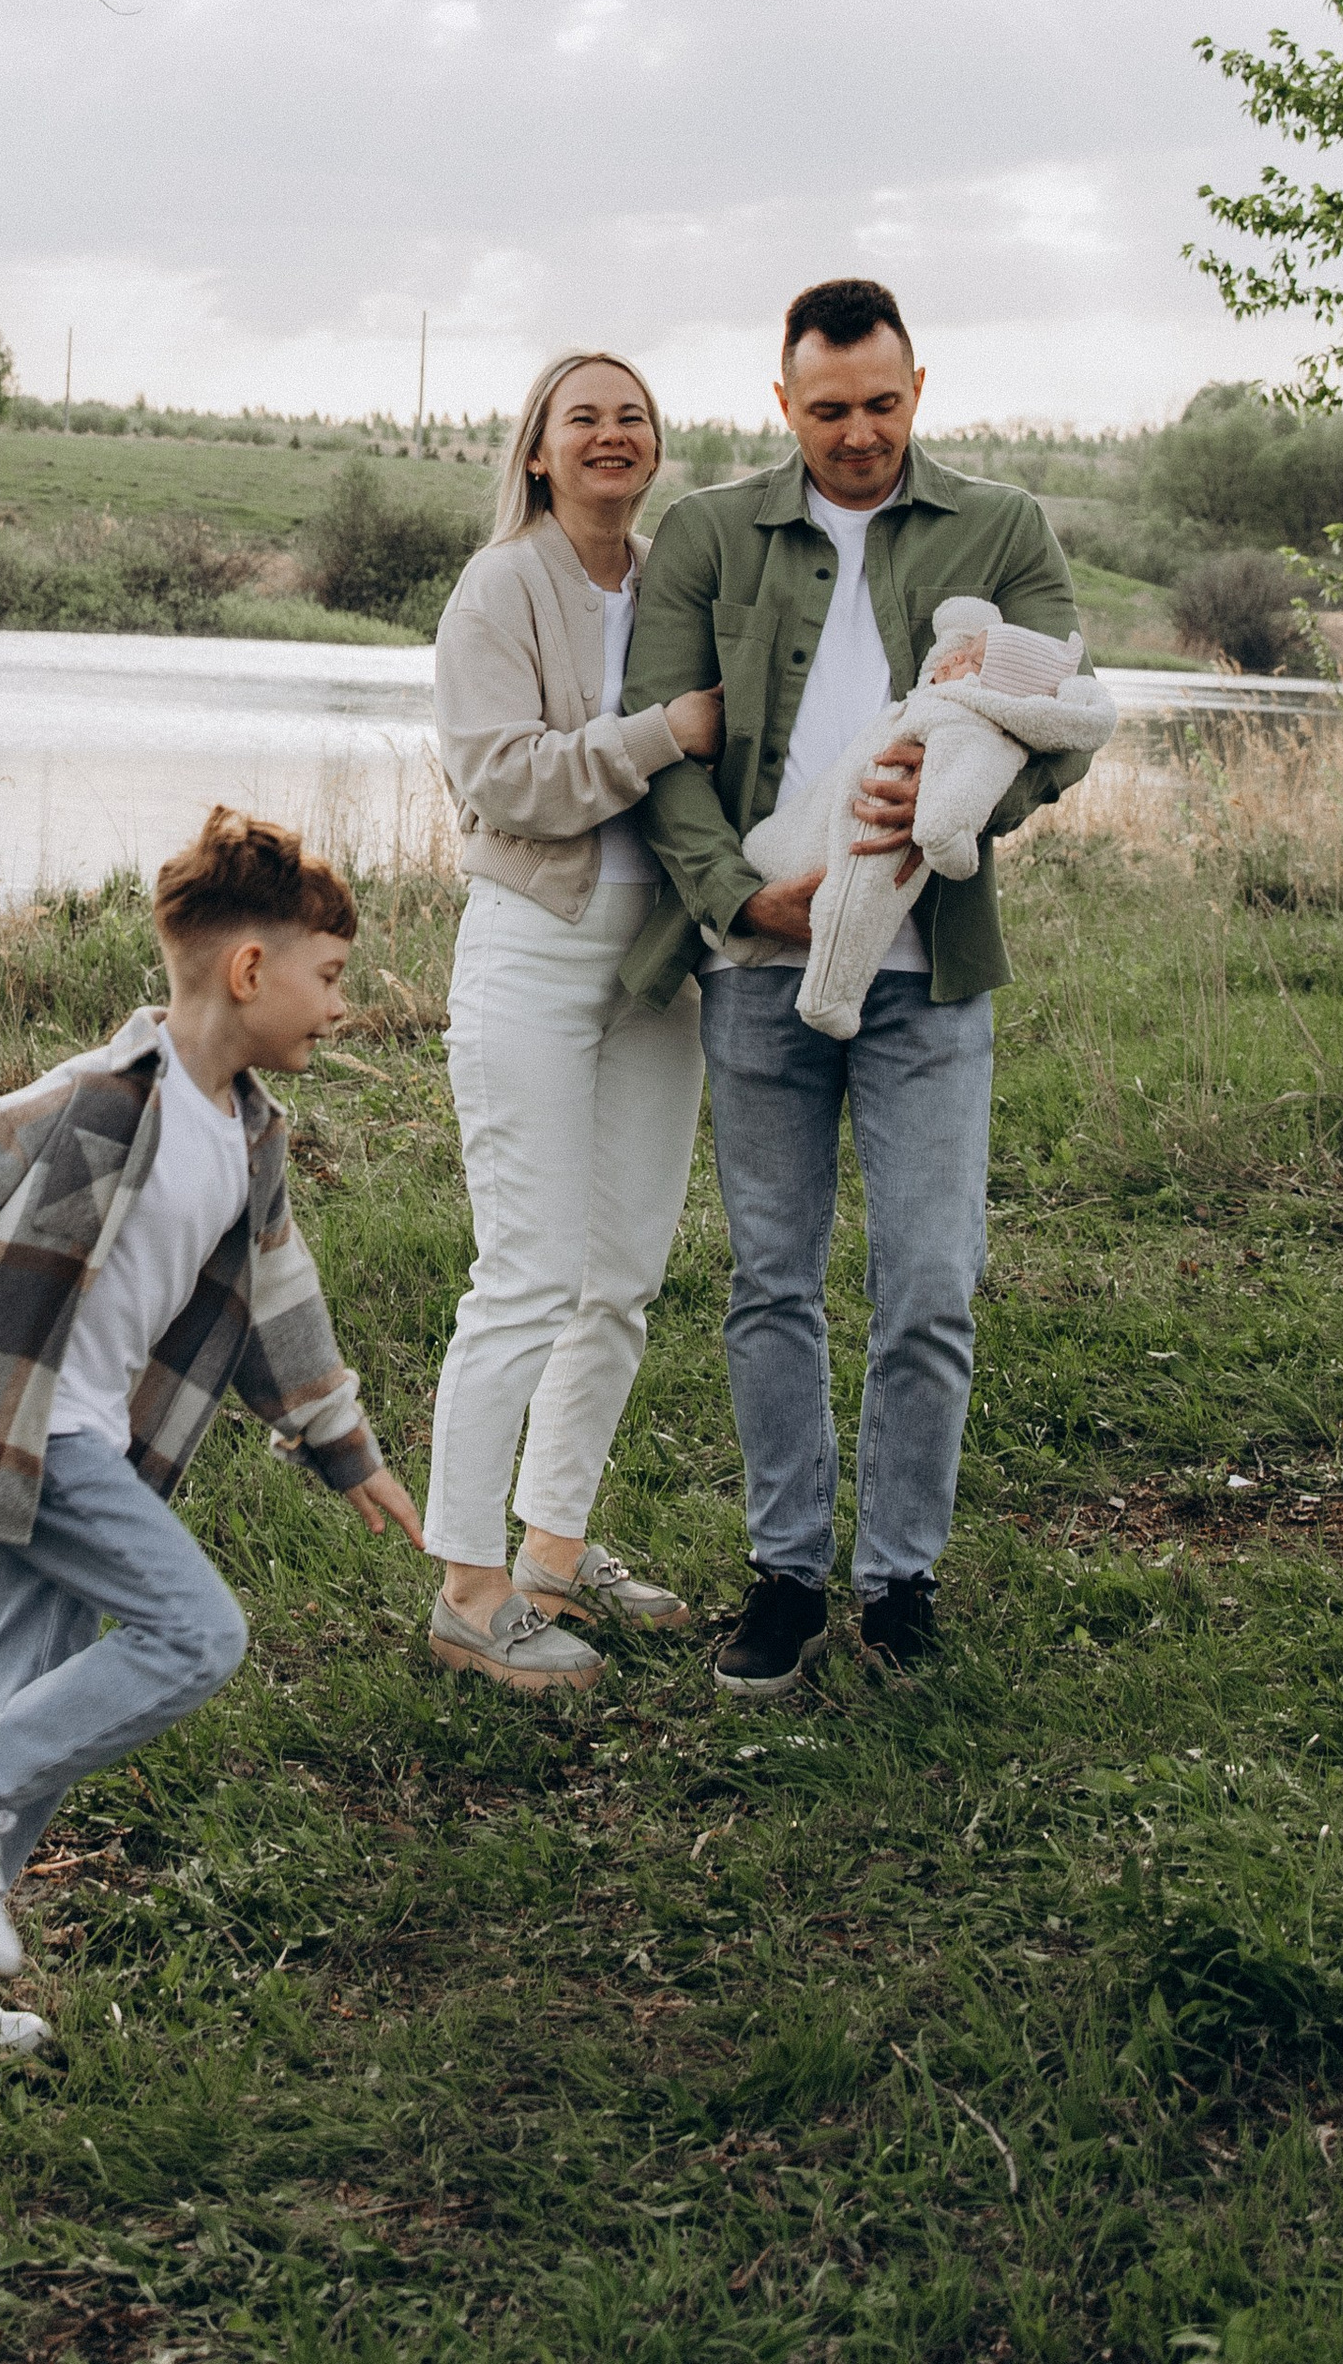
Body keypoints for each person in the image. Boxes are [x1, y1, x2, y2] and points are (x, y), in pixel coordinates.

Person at [0, 808, 424, 2059]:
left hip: (80, 1438)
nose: (342, 1006)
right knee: (195, 1632)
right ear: (248, 970)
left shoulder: (249, 1130)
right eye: (330, 977)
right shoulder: (101, 1097)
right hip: (21, 1426)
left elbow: (279, 1300)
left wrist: (343, 1442)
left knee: (40, 1701)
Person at [621, 278, 1092, 1695]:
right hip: (758, 969)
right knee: (771, 1279)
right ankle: (783, 1577)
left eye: (883, 404)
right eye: (829, 410)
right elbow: (662, 751)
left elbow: (1061, 718)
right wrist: (741, 894)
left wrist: (950, 808)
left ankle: (899, 1586)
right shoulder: (707, 534)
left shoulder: (1002, 527)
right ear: (783, 404)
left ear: (918, 389)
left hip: (931, 972)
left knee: (931, 1281)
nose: (860, 433)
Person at [423, 349, 723, 1693]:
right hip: (532, 955)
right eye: (582, 417)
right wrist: (661, 733)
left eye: (632, 416)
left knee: (622, 1278)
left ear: (657, 445)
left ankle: (553, 1555)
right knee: (529, 1273)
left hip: (658, 968)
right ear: (537, 451)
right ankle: (468, 1590)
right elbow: (506, 780)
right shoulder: (501, 585)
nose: (611, 434)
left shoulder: (676, 581)